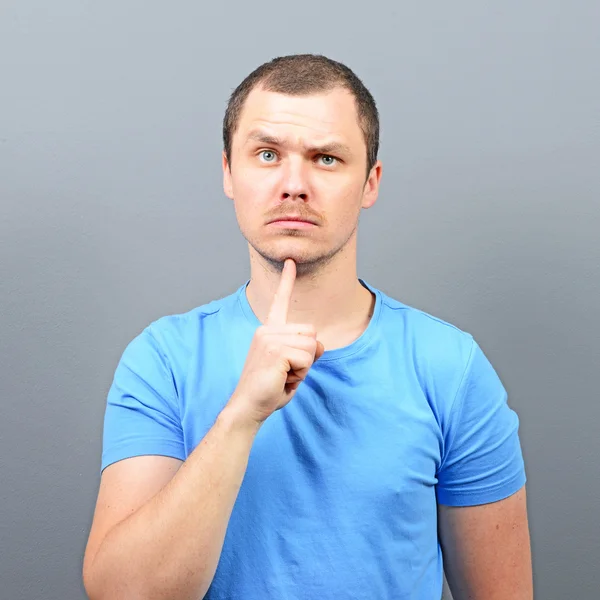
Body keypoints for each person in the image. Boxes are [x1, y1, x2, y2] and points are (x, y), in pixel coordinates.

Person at [82, 54, 533, 600]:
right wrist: (241, 417)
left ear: (370, 182)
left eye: (325, 158)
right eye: (267, 154)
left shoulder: (450, 367)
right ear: (229, 171)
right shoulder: (163, 360)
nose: (293, 184)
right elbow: (124, 593)